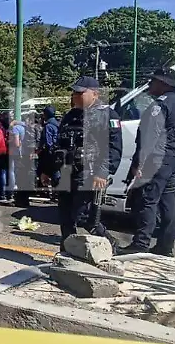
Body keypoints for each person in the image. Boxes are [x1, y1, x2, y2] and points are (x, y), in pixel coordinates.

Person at [121, 68, 175, 256]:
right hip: (174, 158)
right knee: (169, 202)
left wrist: (139, 162)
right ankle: (165, 246)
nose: (150, 85)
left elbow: (149, 136)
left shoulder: (159, 105)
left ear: (163, 84)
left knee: (148, 201)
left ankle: (141, 243)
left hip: (156, 159)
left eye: (153, 81)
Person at [46, 76, 122, 249]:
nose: (75, 96)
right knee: (65, 217)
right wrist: (48, 169)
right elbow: (58, 144)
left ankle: (111, 245)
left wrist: (103, 172)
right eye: (74, 93)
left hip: (89, 174)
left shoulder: (107, 115)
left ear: (94, 94)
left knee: (84, 217)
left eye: (80, 93)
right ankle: (66, 251)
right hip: (67, 173)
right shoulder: (70, 116)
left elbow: (114, 147)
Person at [36, 106, 61, 196]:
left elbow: (48, 142)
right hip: (58, 152)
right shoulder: (58, 124)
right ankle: (56, 192)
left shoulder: (48, 126)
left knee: (48, 172)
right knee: (56, 171)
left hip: (49, 154)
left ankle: (53, 192)